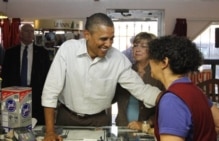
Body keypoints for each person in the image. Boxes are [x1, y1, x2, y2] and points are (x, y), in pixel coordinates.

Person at [41, 13, 161, 141]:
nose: (108, 44)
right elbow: (50, 91)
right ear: (87, 35)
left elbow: (141, 89)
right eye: (103, 39)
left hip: (99, 121)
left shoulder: (118, 59)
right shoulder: (68, 50)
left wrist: (169, 97)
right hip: (67, 117)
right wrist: (50, 131)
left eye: (112, 39)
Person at [147, 35, 219, 141]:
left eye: (151, 58)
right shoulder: (194, 90)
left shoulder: (172, 100)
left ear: (164, 62)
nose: (149, 63)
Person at [1, 24, 51, 125]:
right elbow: (5, 76)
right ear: (20, 34)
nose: (29, 34)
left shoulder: (42, 53)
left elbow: (47, 76)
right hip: (15, 94)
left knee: (36, 123)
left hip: (36, 94)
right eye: (26, 31)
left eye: (31, 31)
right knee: (16, 123)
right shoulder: (10, 53)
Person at [114, 32, 164, 130]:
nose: (137, 49)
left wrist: (147, 123)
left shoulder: (158, 74)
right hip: (123, 126)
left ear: (152, 50)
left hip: (147, 128)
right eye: (135, 45)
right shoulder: (126, 71)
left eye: (143, 46)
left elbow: (165, 105)